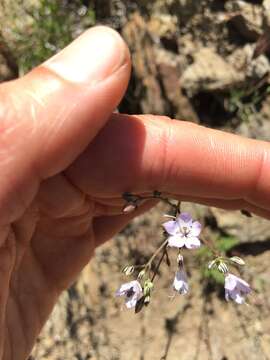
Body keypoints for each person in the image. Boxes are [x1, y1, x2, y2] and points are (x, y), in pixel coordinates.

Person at [0, 25, 269, 359]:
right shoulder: (179, 229)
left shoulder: (181, 231)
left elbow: (181, 229)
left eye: (185, 230)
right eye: (183, 229)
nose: (184, 230)